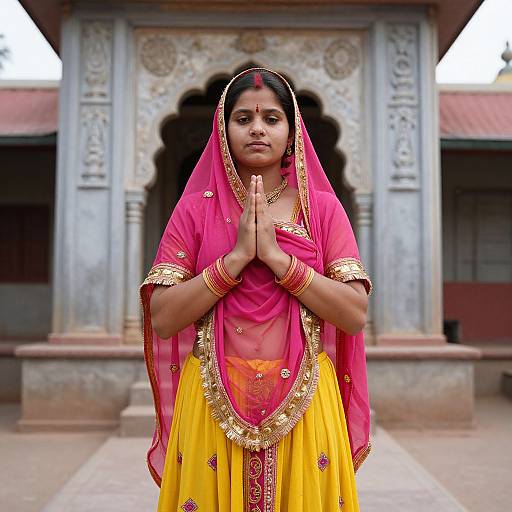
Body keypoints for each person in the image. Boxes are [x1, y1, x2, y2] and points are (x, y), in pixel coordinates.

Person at [140, 67, 373, 512]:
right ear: (224, 130)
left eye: (271, 118)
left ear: (292, 129)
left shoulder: (321, 209)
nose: (257, 129)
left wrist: (278, 260)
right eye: (243, 118)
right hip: (213, 398)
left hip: (303, 400)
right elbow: (165, 318)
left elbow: (354, 313)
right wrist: (234, 261)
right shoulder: (194, 210)